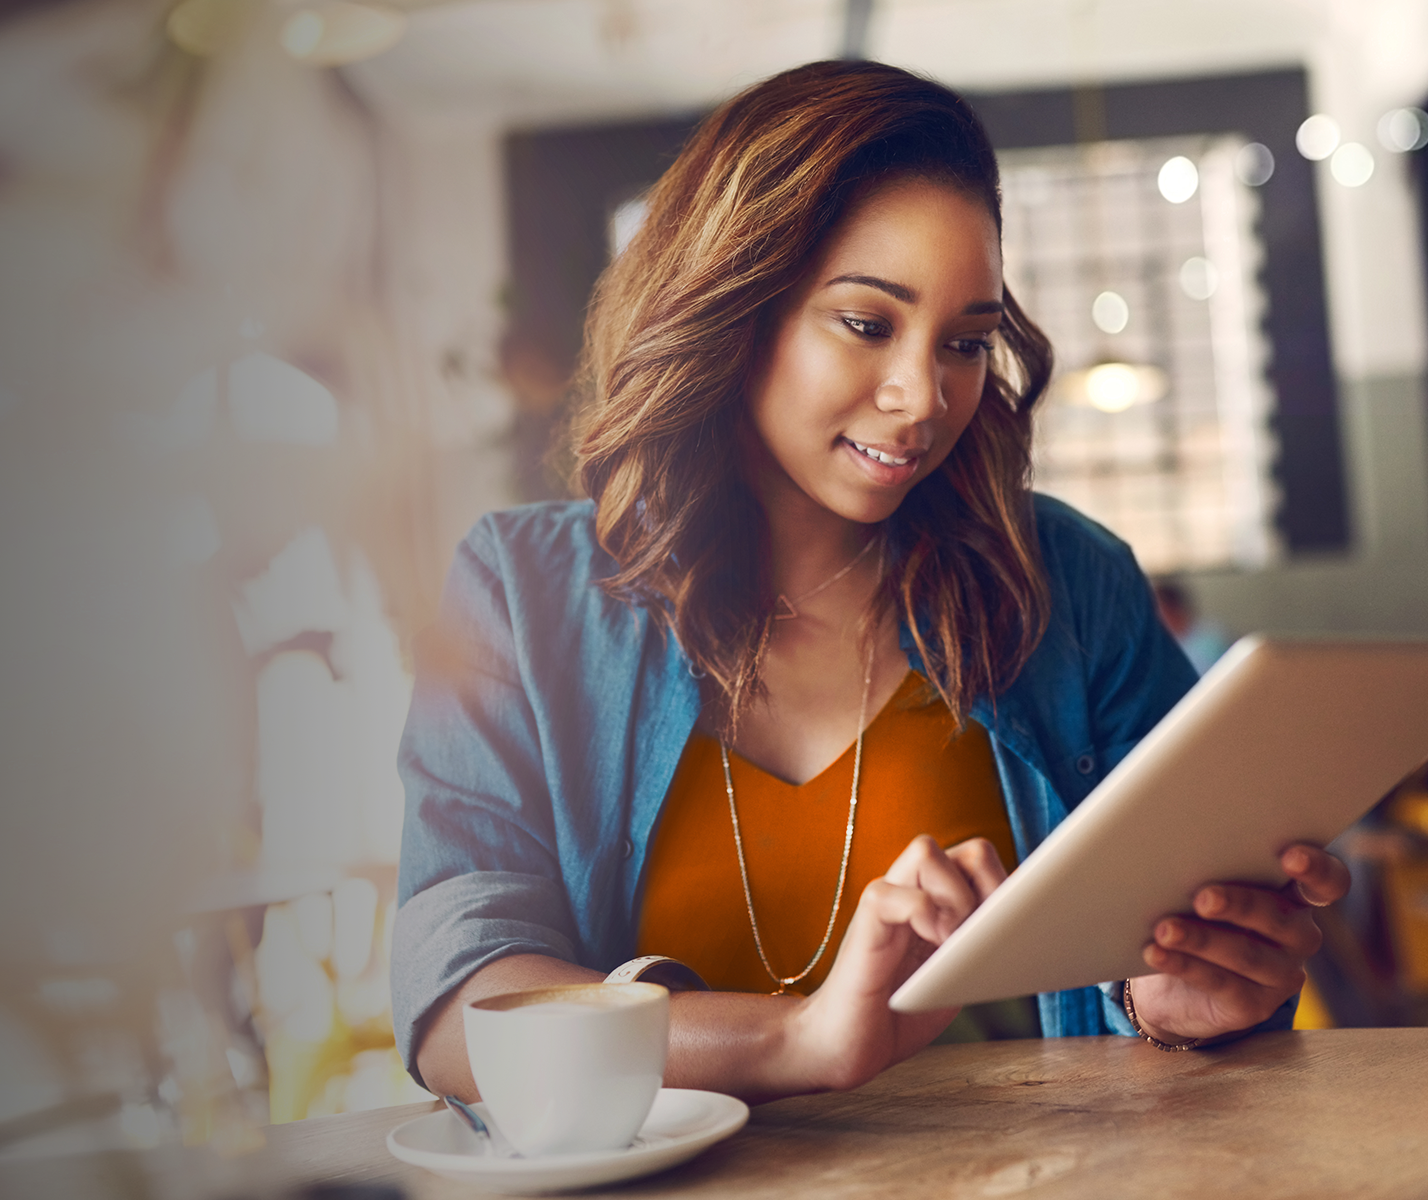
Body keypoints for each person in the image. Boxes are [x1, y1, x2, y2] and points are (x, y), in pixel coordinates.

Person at [392, 60, 1349, 1104]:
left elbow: (1176, 977)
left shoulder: (1068, 584)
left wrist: (1182, 1000)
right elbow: (460, 1016)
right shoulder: (523, 601)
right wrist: (794, 1042)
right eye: (867, 322)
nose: (922, 397)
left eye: (968, 342)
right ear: (735, 308)